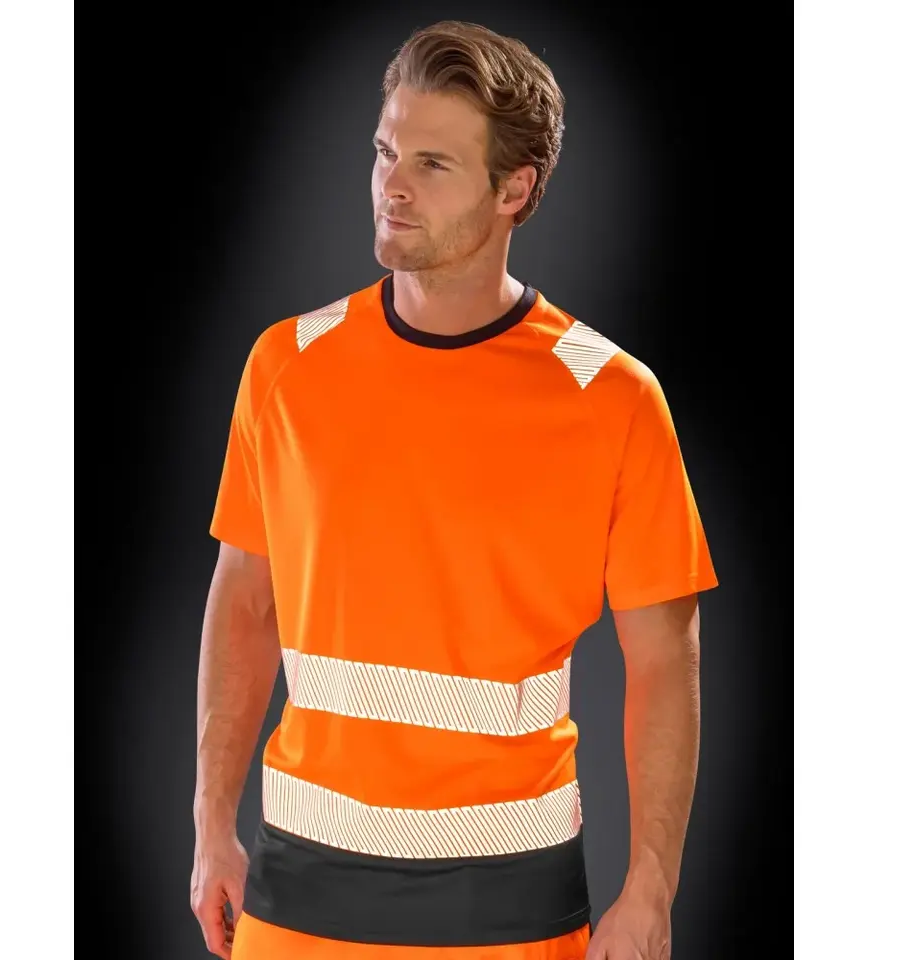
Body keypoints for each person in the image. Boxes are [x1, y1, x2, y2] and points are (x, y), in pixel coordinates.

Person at [190, 19, 718, 960]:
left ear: (515, 189)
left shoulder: (612, 397)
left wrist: (651, 885)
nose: (391, 184)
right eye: (385, 150)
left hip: (509, 909)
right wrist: (208, 826)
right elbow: (243, 603)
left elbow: (661, 663)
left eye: (432, 164)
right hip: (297, 897)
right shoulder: (286, 366)